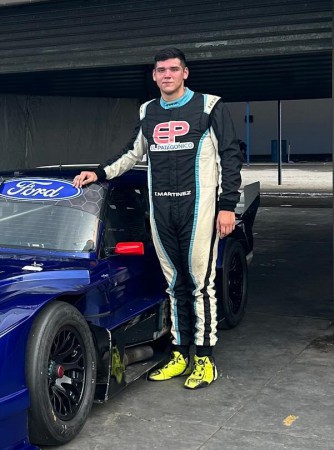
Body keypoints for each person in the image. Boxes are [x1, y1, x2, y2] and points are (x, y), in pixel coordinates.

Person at [73, 48, 242, 389]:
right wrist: (99, 172)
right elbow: (132, 152)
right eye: (161, 70)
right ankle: (179, 354)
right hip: (161, 210)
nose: (167, 75)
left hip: (200, 209)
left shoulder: (210, 106)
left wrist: (227, 205)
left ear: (185, 73)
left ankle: (205, 358)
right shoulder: (148, 111)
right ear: (154, 76)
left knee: (200, 283)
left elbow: (230, 156)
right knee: (174, 284)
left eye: (173, 69)